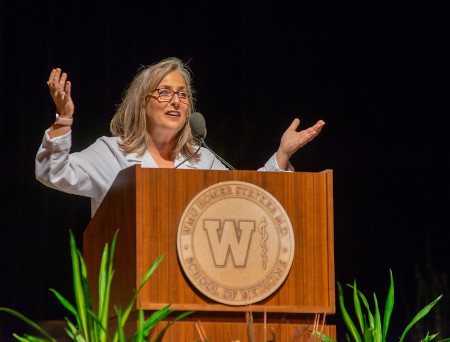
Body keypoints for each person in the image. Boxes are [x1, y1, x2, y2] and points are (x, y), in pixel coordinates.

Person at [36, 57, 325, 216]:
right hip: (129, 293)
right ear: (142, 102)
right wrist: (64, 120)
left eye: (183, 95)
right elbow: (53, 172)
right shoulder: (112, 153)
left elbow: (247, 199)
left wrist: (282, 155)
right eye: (164, 92)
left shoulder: (200, 159)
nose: (176, 101)